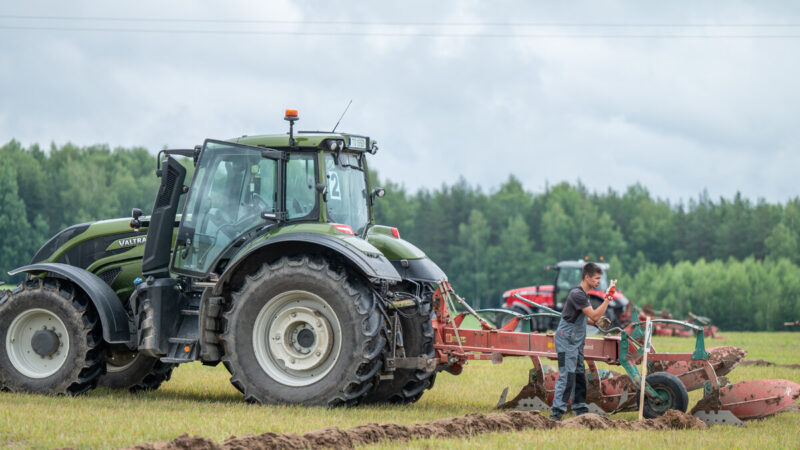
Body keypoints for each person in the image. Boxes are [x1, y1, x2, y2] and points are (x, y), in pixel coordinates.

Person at [550, 262, 614, 420]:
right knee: (567, 375)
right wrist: (607, 298)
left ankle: (579, 408)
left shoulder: (584, 295)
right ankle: (556, 413)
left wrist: (596, 322)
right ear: (587, 277)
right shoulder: (577, 294)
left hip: (576, 340)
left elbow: (585, 318)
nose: (599, 281)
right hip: (567, 340)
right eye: (597, 278)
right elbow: (593, 315)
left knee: (579, 373)